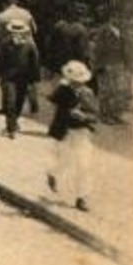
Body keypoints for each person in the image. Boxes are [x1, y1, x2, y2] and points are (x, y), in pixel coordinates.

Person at [47, 60, 100, 212]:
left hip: (81, 134)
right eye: (73, 82)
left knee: (84, 165)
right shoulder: (62, 91)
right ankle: (52, 173)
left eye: (79, 82)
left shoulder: (87, 93)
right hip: (64, 133)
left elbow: (95, 116)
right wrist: (64, 86)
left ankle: (82, 197)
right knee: (65, 162)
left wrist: (83, 116)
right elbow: (52, 98)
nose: (77, 85)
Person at [0, 19, 41, 138]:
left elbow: (35, 63)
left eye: (20, 32)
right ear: (10, 32)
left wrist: (34, 79)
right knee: (10, 102)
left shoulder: (30, 45)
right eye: (14, 32)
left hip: (23, 78)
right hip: (8, 78)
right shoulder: (5, 44)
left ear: (24, 32)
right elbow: (0, 61)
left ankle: (14, 121)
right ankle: (11, 129)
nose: (17, 34)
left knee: (19, 102)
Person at [48, 3, 92, 74]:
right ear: (83, 15)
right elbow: (83, 52)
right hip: (76, 66)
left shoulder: (59, 26)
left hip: (60, 65)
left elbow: (50, 45)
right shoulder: (81, 29)